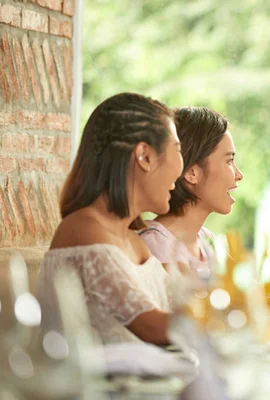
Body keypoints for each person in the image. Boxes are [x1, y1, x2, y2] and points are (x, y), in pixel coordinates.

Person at [140, 106, 270, 342]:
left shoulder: (207, 243)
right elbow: (203, 331)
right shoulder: (155, 246)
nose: (238, 174)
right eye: (229, 161)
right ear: (192, 173)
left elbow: (234, 313)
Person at [37, 92, 184, 344]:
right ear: (144, 156)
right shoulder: (84, 228)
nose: (181, 165)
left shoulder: (133, 241)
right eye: (177, 149)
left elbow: (184, 313)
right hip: (91, 384)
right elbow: (153, 327)